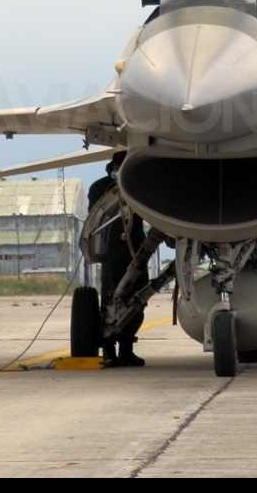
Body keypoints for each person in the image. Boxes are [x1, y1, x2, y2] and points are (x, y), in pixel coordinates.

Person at [87, 153, 147, 367]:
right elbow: (94, 217)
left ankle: (126, 350)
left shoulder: (141, 188)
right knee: (111, 303)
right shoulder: (101, 189)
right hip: (113, 255)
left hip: (137, 254)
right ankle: (109, 351)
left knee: (137, 303)